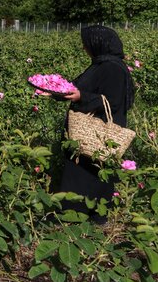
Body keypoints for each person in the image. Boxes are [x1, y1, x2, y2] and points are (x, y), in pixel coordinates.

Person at [55, 25, 135, 224]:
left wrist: (82, 96)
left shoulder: (113, 68)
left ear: (98, 44)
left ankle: (82, 215)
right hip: (90, 130)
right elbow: (77, 88)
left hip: (98, 132)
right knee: (85, 172)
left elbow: (113, 101)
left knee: (89, 172)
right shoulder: (99, 64)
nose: (84, 48)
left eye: (86, 44)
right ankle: (81, 213)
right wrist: (54, 89)